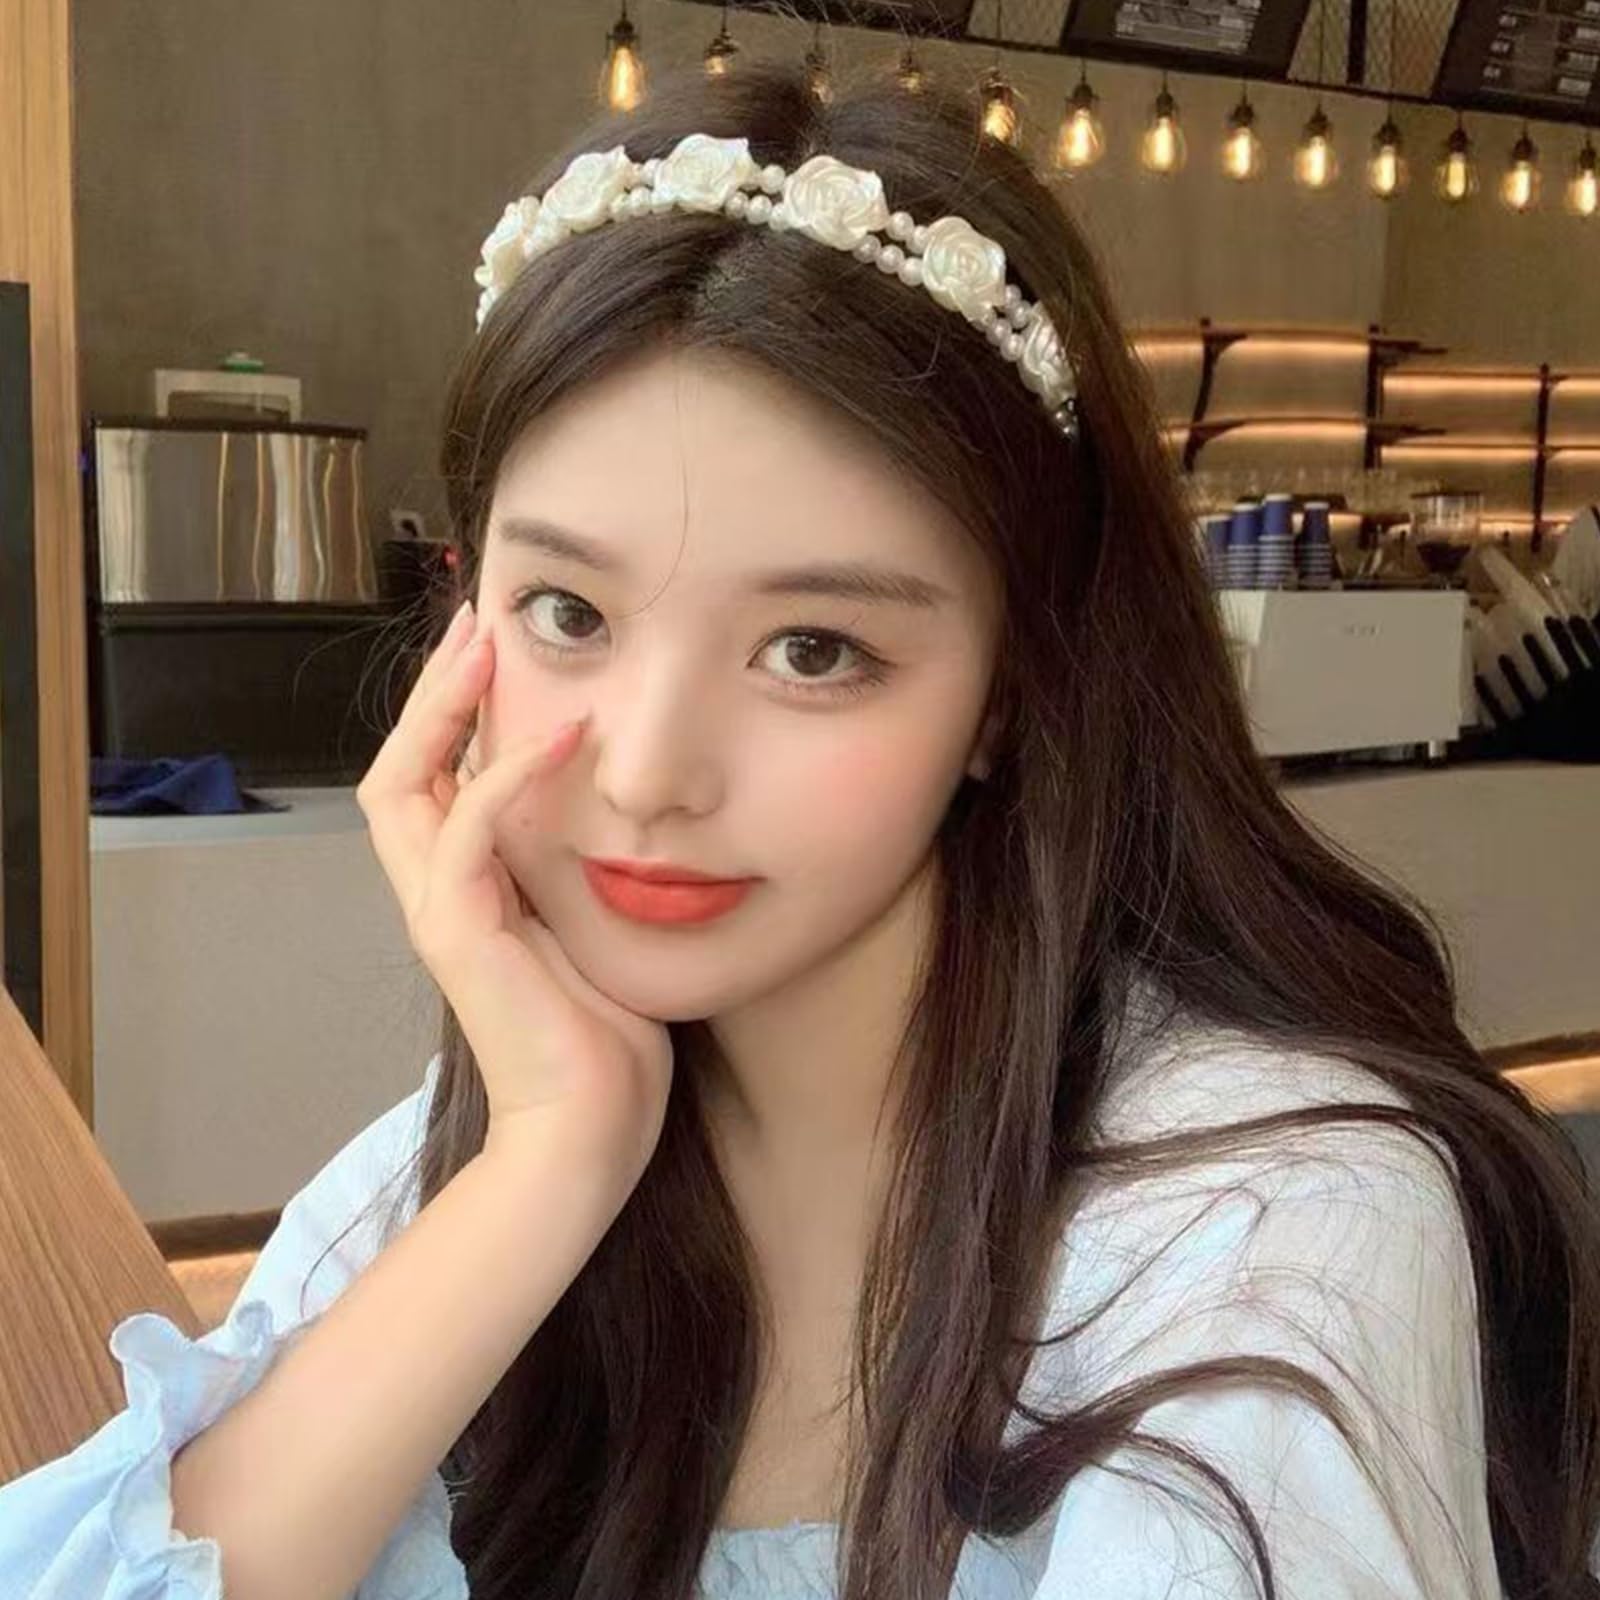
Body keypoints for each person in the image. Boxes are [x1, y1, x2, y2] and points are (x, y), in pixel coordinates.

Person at [2, 50, 1597, 1600]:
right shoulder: (468, 1153)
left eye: (815, 650)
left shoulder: (1267, 1219)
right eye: (568, 613)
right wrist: (552, 1160)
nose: (648, 773)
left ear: (1005, 693)